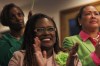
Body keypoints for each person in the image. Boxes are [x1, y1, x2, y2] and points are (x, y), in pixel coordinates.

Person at [8, 13, 82, 66]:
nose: (46, 33)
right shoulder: (19, 57)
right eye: (40, 30)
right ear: (30, 33)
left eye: (50, 29)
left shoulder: (70, 56)